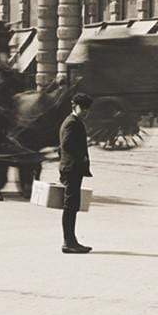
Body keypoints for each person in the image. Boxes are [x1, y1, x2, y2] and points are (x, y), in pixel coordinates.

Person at [59, 93, 93, 254]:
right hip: (72, 168)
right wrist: (81, 156)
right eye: (83, 108)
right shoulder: (72, 123)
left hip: (72, 168)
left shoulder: (74, 121)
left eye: (87, 109)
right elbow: (66, 145)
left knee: (72, 206)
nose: (86, 112)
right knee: (70, 206)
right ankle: (69, 242)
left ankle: (71, 241)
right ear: (74, 106)